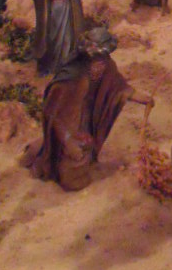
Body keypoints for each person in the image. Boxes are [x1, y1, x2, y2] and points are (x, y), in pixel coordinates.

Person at [22, 23, 154, 191]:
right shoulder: (70, 79)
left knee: (84, 153)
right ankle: (47, 156)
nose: (102, 63)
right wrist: (68, 141)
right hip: (67, 123)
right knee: (72, 173)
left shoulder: (105, 65)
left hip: (84, 119)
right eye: (98, 58)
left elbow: (118, 87)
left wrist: (142, 98)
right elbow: (54, 114)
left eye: (104, 57)